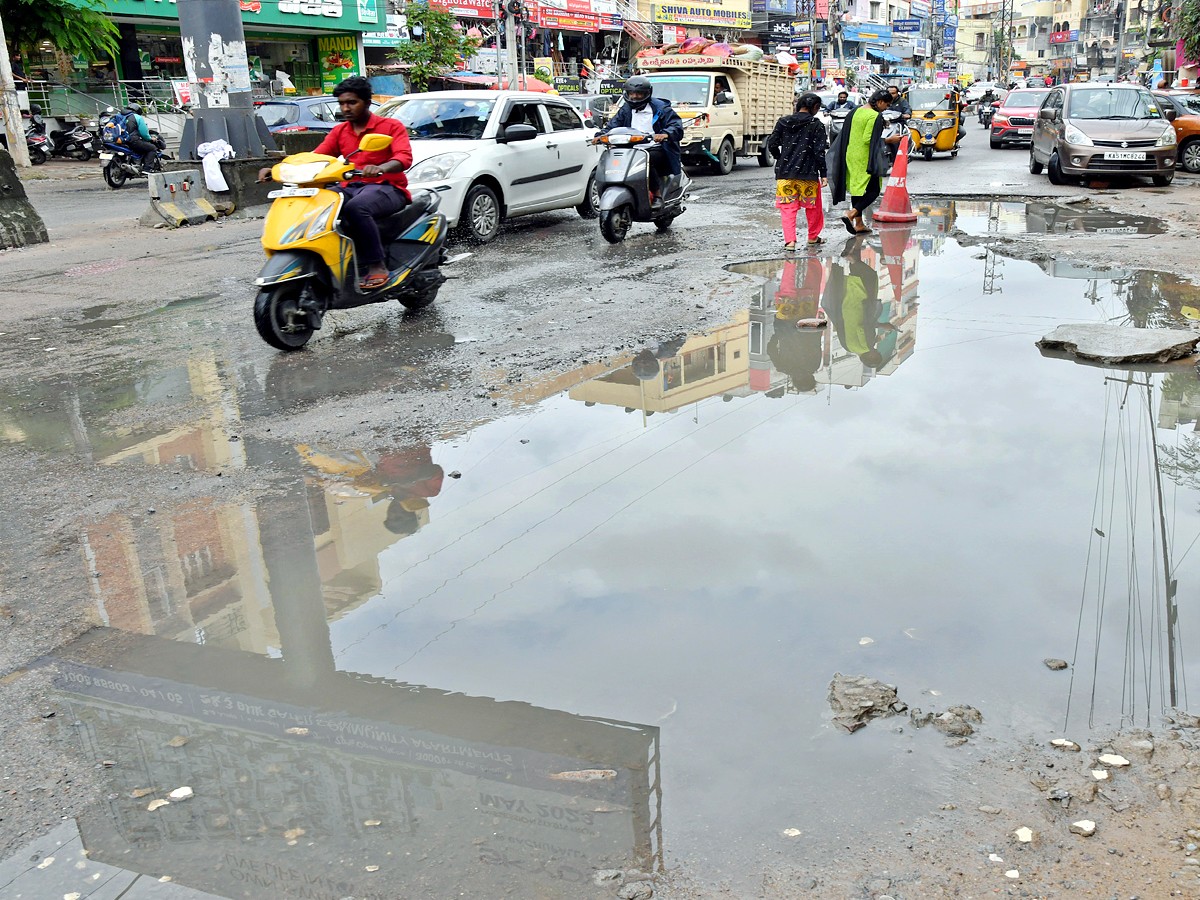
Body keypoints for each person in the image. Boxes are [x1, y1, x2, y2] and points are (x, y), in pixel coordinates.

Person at [259, 76, 413, 291]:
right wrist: (279, 168)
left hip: (388, 187)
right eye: (342, 103)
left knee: (356, 209)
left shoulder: (390, 126)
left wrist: (381, 168)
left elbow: (403, 158)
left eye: (352, 102)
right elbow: (316, 157)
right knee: (317, 204)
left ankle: (377, 264)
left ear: (367, 102)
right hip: (350, 186)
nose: (346, 108)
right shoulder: (340, 131)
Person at [827, 89, 902, 236]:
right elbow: (868, 139)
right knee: (874, 190)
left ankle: (859, 224)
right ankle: (851, 213)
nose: (886, 108)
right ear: (879, 102)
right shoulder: (874, 116)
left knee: (858, 189)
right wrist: (889, 140)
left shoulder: (856, 111)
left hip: (851, 154)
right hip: (865, 157)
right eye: (886, 105)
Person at [597, 75, 684, 196]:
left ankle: (657, 194)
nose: (634, 97)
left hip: (656, 148)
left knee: (647, 160)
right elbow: (613, 125)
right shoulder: (626, 109)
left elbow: (676, 126)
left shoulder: (661, 108)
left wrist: (664, 134)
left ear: (647, 93)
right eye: (631, 93)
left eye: (639, 94)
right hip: (630, 149)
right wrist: (600, 135)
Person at [767, 92, 828, 251]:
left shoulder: (783, 122)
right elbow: (819, 152)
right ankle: (813, 237)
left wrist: (779, 158)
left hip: (785, 173)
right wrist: (824, 174)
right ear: (814, 107)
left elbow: (772, 143)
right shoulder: (816, 125)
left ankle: (790, 242)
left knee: (787, 208)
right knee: (813, 207)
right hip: (808, 174)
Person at [121, 103, 159, 172]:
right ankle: (147, 168)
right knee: (152, 148)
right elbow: (144, 133)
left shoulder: (119, 116)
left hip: (121, 140)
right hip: (133, 141)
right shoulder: (137, 117)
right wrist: (150, 138)